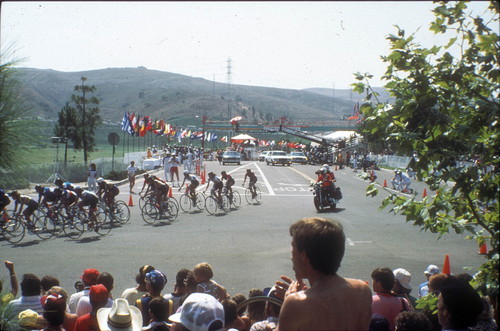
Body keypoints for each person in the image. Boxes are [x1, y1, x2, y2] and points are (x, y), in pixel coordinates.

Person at [274, 217, 372, 330]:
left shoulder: (295, 304)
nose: (291, 255)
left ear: (304, 255)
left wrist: (289, 301)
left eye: (293, 248)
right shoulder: (362, 290)